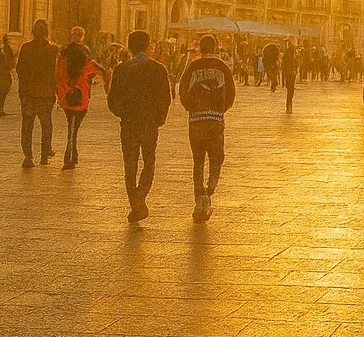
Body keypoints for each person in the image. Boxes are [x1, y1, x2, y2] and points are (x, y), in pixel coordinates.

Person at [108, 29, 172, 223]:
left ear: (129, 47)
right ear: (148, 46)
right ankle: (140, 196)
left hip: (129, 123)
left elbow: (112, 99)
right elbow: (166, 98)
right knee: (149, 161)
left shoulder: (121, 69)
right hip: (149, 123)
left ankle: (135, 204)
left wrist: (123, 114)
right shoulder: (158, 69)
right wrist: (159, 119)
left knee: (130, 164)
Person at [178, 34, 234, 222]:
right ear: (216, 47)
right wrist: (220, 109)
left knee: (198, 161)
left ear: (199, 48)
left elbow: (183, 91)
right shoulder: (222, 67)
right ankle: (210, 190)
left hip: (196, 121)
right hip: (215, 120)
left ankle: (199, 197)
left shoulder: (192, 66)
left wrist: (192, 108)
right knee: (216, 159)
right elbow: (231, 94)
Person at [55, 27, 103, 170]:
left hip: (68, 94)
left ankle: (71, 156)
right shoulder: (86, 53)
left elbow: (59, 72)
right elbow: (91, 72)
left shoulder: (65, 52)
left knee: (71, 127)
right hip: (82, 94)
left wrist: (61, 91)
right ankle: (71, 156)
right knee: (74, 128)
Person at [16, 20, 58, 167]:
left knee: (27, 126)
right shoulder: (52, 49)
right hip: (45, 94)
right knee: (46, 125)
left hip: (28, 94)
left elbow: (20, 70)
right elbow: (55, 72)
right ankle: (44, 156)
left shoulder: (26, 48)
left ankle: (28, 157)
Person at [0, 35, 15, 116]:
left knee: (3, 92)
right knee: (0, 92)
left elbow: (10, 61)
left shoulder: (8, 50)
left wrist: (11, 69)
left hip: (5, 75)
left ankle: (0, 109)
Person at [281, 43, 298, 112]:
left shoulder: (292, 57)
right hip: (289, 76)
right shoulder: (288, 58)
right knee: (290, 90)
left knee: (291, 90)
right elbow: (285, 67)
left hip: (291, 76)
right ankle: (289, 106)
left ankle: (289, 105)